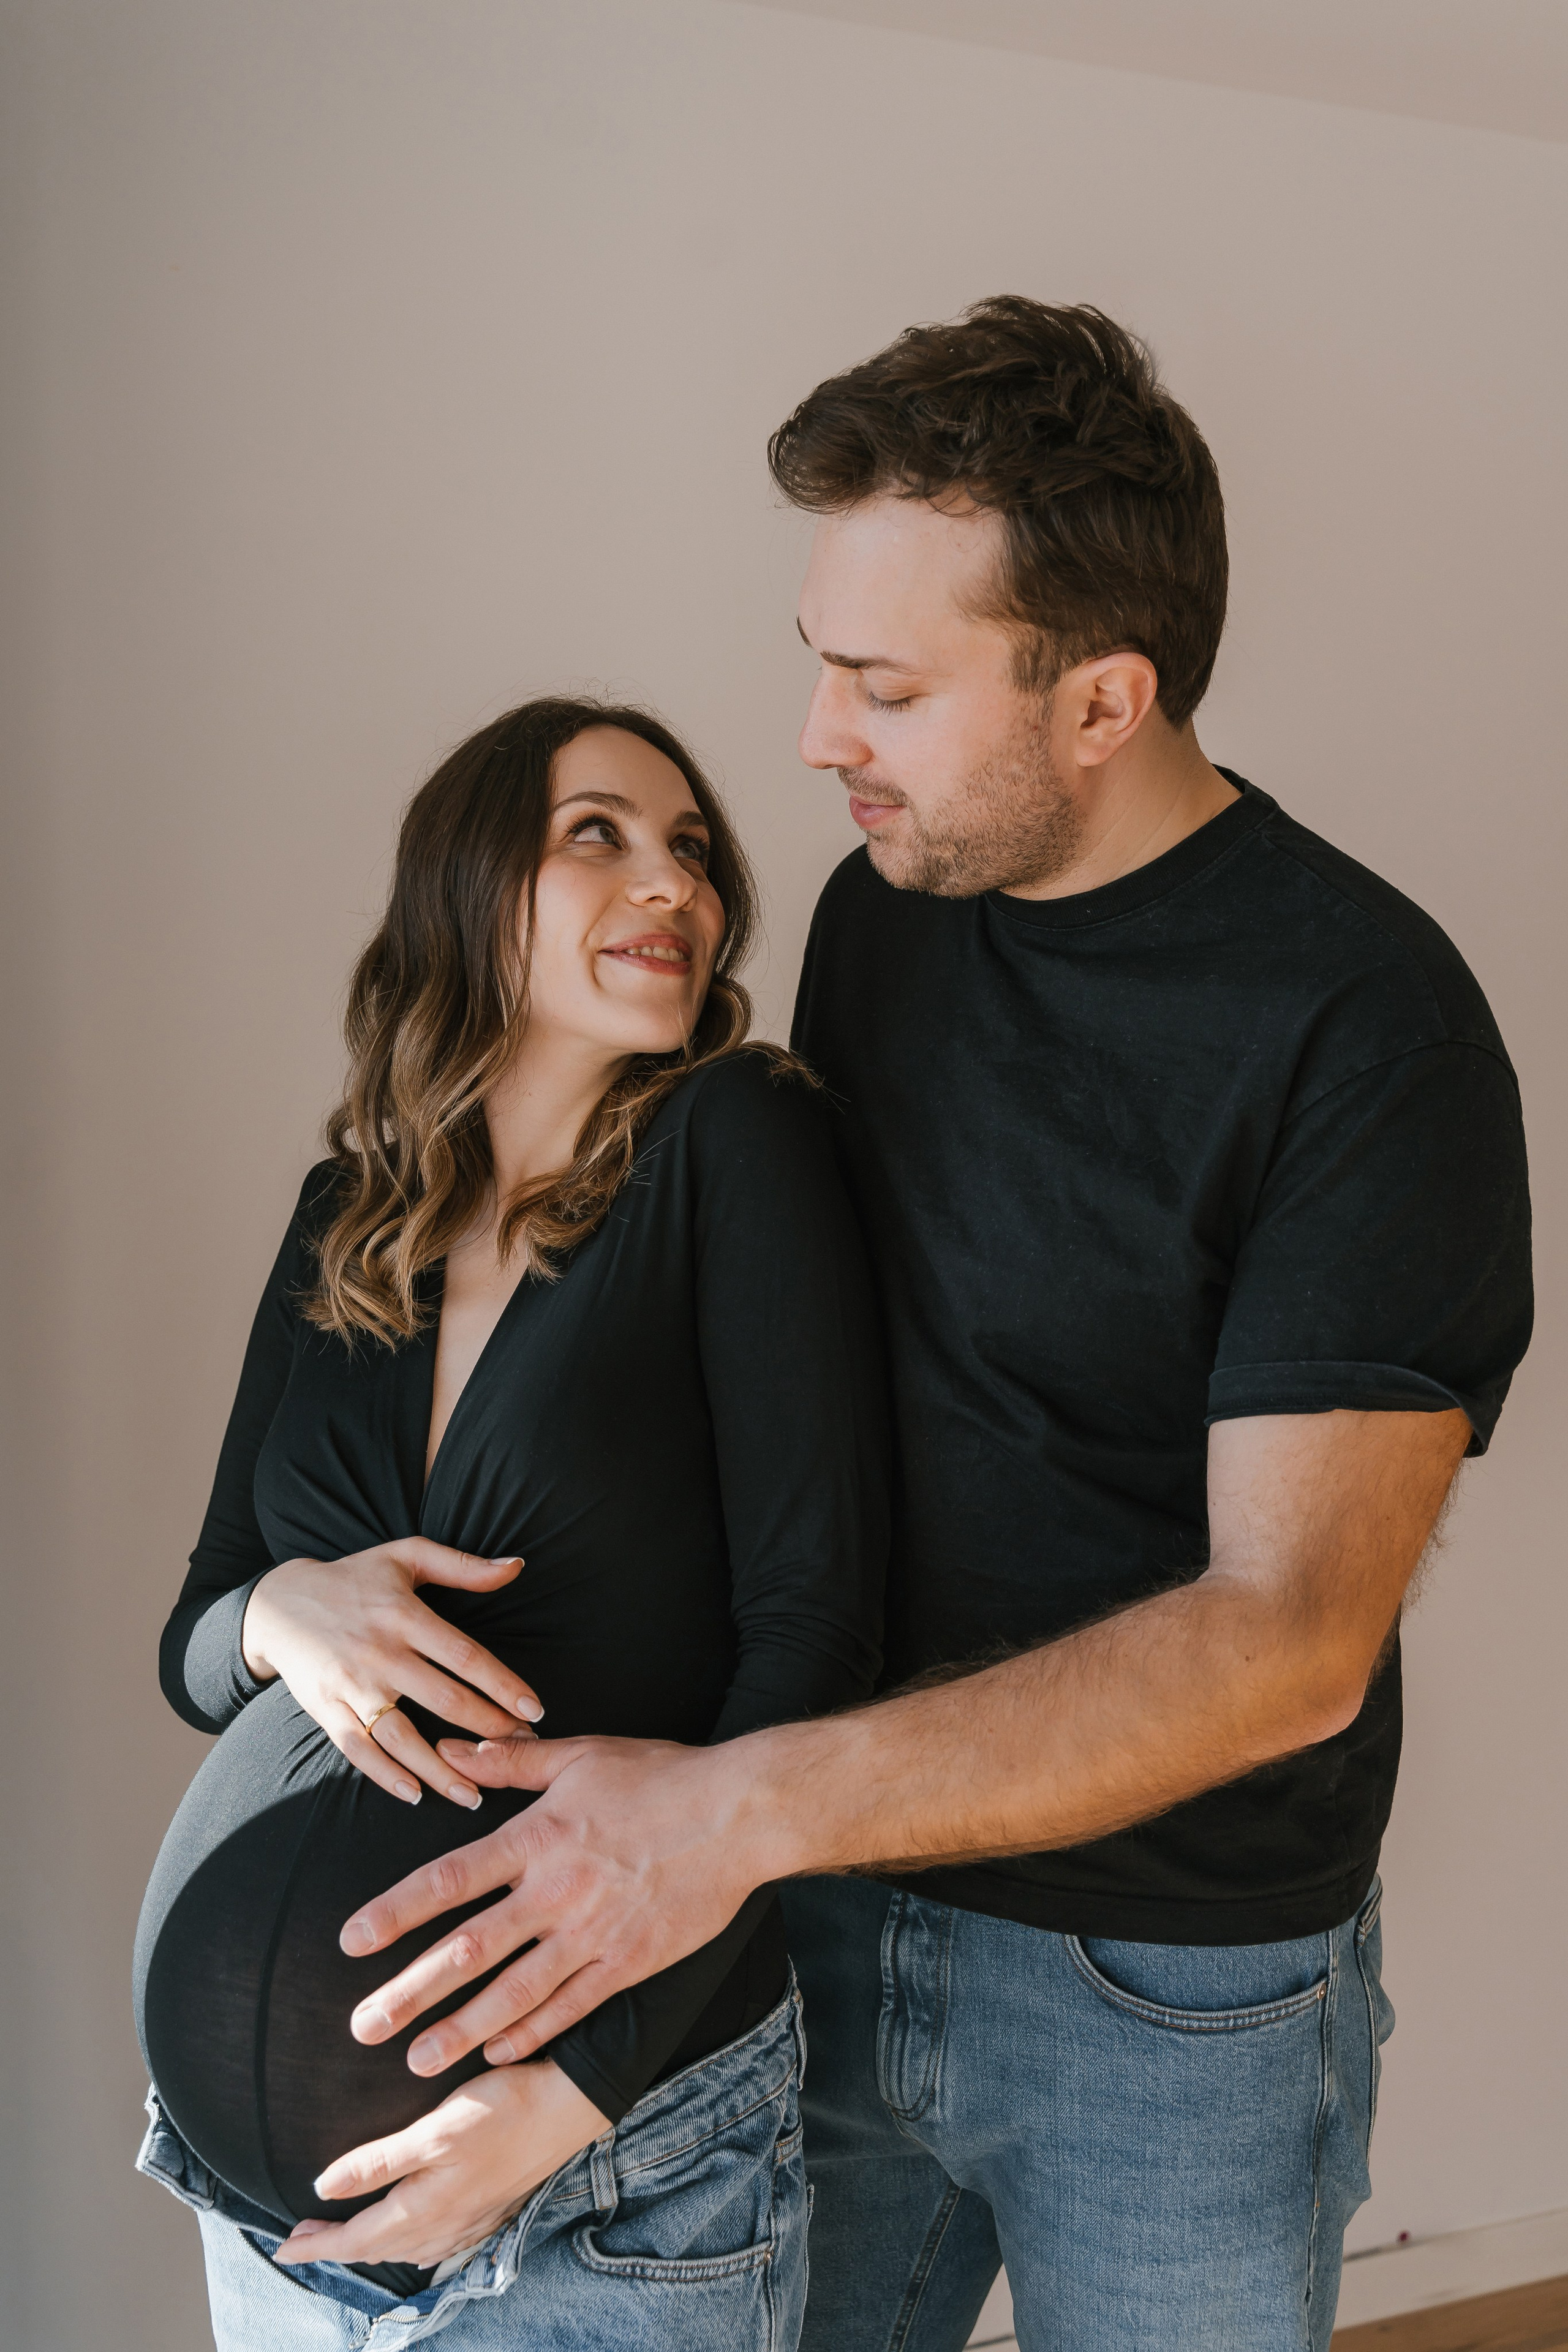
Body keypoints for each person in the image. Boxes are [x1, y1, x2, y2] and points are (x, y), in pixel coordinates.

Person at [312, 303, 1534, 2351]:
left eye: (880, 683)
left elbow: (1287, 1644)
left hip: (1174, 1996)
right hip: (815, 1915)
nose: (811, 741)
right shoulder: (892, 911)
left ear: (1102, 699)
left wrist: (726, 1818)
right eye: (819, 660)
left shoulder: (1369, 1033)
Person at [132, 695, 887, 2351]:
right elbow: (195, 1636)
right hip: (255, 2207)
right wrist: (283, 1616)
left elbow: (818, 1640)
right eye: (599, 835)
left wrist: (564, 2096)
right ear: (470, 891)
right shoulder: (350, 1212)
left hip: (600, 2167)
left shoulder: (733, 1147)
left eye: (691, 850)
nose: (673, 883)